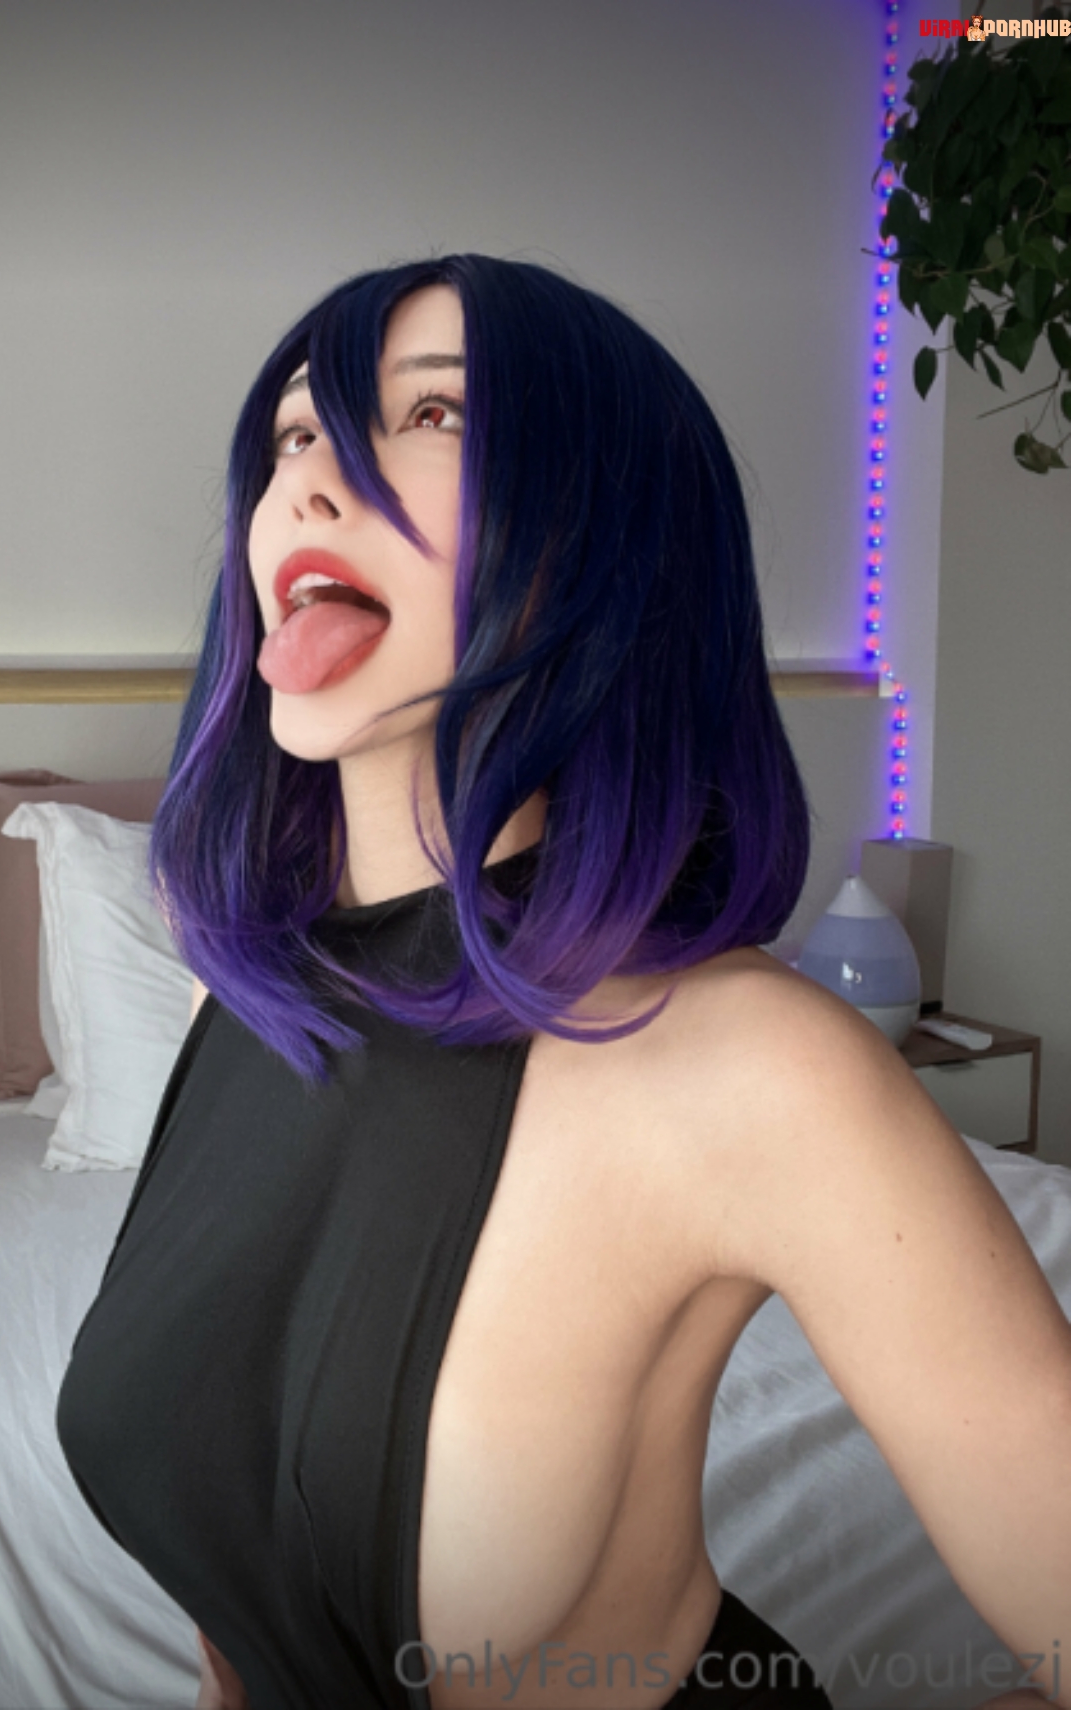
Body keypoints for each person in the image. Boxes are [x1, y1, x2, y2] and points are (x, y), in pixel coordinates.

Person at [56, 255, 1071, 1710]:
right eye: (291, 435)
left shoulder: (760, 1067)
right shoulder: (243, 999)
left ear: (604, 535)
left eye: (432, 415)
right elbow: (235, 1590)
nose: (309, 484)